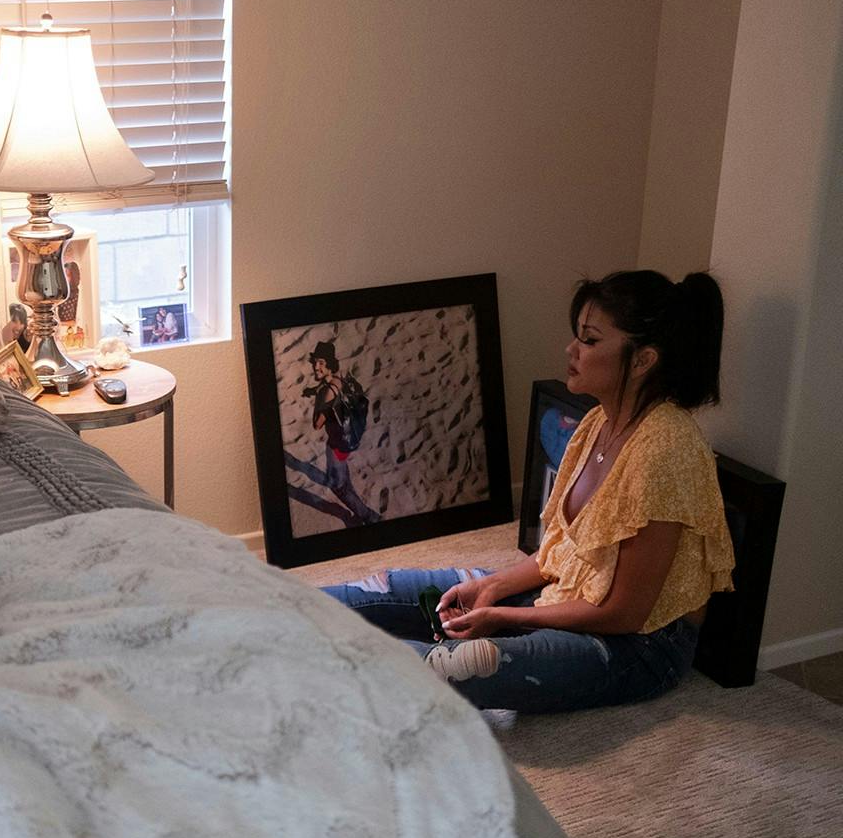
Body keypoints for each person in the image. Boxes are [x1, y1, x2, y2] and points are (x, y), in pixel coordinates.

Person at [321, 271, 735, 712]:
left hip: (639, 645)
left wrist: (501, 617)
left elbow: (626, 613)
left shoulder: (667, 450)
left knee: (447, 664)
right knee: (387, 591)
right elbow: (564, 554)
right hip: (568, 596)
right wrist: (493, 587)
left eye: (590, 341)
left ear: (643, 360)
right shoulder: (598, 423)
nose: (571, 350)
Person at [285, 339, 380, 526]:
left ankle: (369, 516)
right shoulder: (340, 380)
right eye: (314, 363)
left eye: (321, 363)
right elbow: (333, 392)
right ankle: (357, 501)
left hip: (336, 446)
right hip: (348, 440)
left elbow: (317, 424)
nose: (316, 367)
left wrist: (320, 403)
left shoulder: (326, 393)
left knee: (339, 488)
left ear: (329, 365)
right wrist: (315, 391)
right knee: (343, 480)